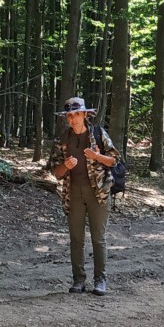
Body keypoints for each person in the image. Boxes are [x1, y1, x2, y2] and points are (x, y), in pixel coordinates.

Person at [50, 97, 121, 296]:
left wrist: (97, 156)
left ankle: (100, 280)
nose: (72, 119)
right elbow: (55, 172)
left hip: (98, 193)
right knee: (76, 239)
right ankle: (78, 280)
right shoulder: (62, 140)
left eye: (76, 115)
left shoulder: (98, 134)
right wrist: (66, 166)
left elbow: (115, 160)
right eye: (69, 116)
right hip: (73, 194)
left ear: (84, 115)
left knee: (98, 238)